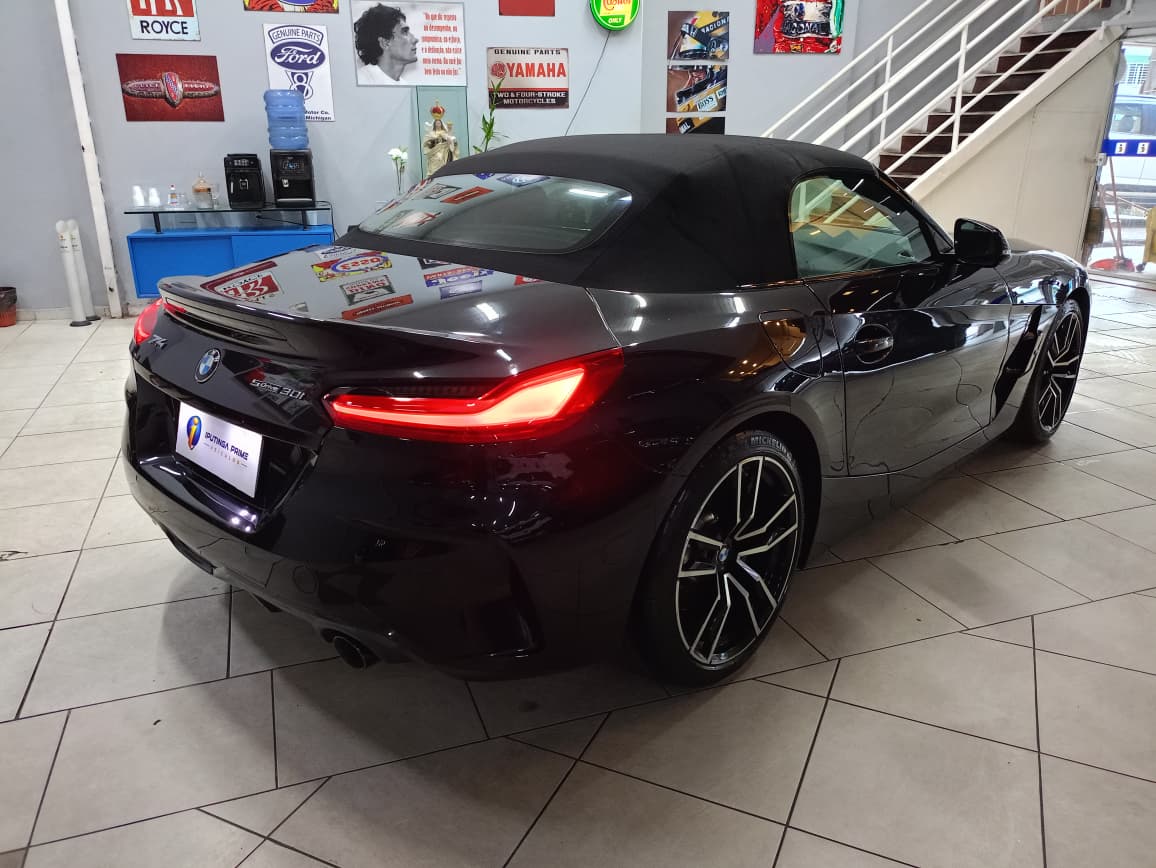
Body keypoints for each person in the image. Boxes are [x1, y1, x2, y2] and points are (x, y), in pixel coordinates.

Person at [355, 4, 420, 84]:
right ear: (385, 43)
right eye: (404, 32)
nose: (415, 40)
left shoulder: (405, 85)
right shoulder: (361, 80)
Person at [422, 104, 459, 176]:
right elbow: (426, 141)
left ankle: (443, 173)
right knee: (437, 157)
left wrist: (449, 139)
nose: (438, 124)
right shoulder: (432, 133)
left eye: (439, 123)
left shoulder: (444, 132)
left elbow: (449, 138)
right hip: (434, 150)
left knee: (442, 157)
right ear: (434, 124)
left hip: (444, 149)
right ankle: (434, 174)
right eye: (437, 123)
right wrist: (432, 141)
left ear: (441, 124)